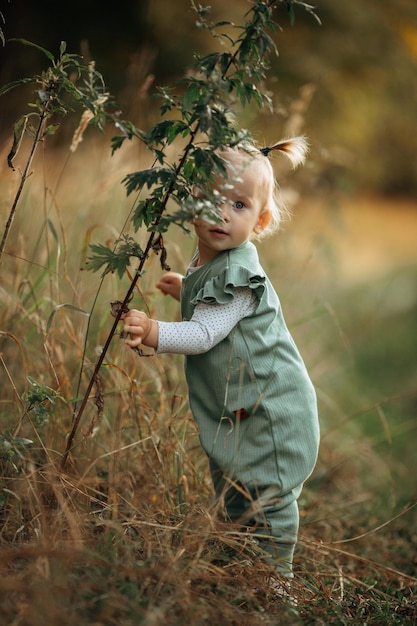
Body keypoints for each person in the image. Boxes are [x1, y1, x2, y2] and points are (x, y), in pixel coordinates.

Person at [122, 138, 320, 590]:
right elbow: (209, 302)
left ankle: (277, 583)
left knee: (268, 498)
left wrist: (155, 332)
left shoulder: (240, 277)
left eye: (239, 204)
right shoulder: (212, 264)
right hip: (240, 408)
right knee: (234, 487)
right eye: (211, 199)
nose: (223, 213)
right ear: (190, 197)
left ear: (260, 219)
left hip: (272, 411)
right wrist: (185, 289)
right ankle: (238, 565)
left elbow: (205, 332)